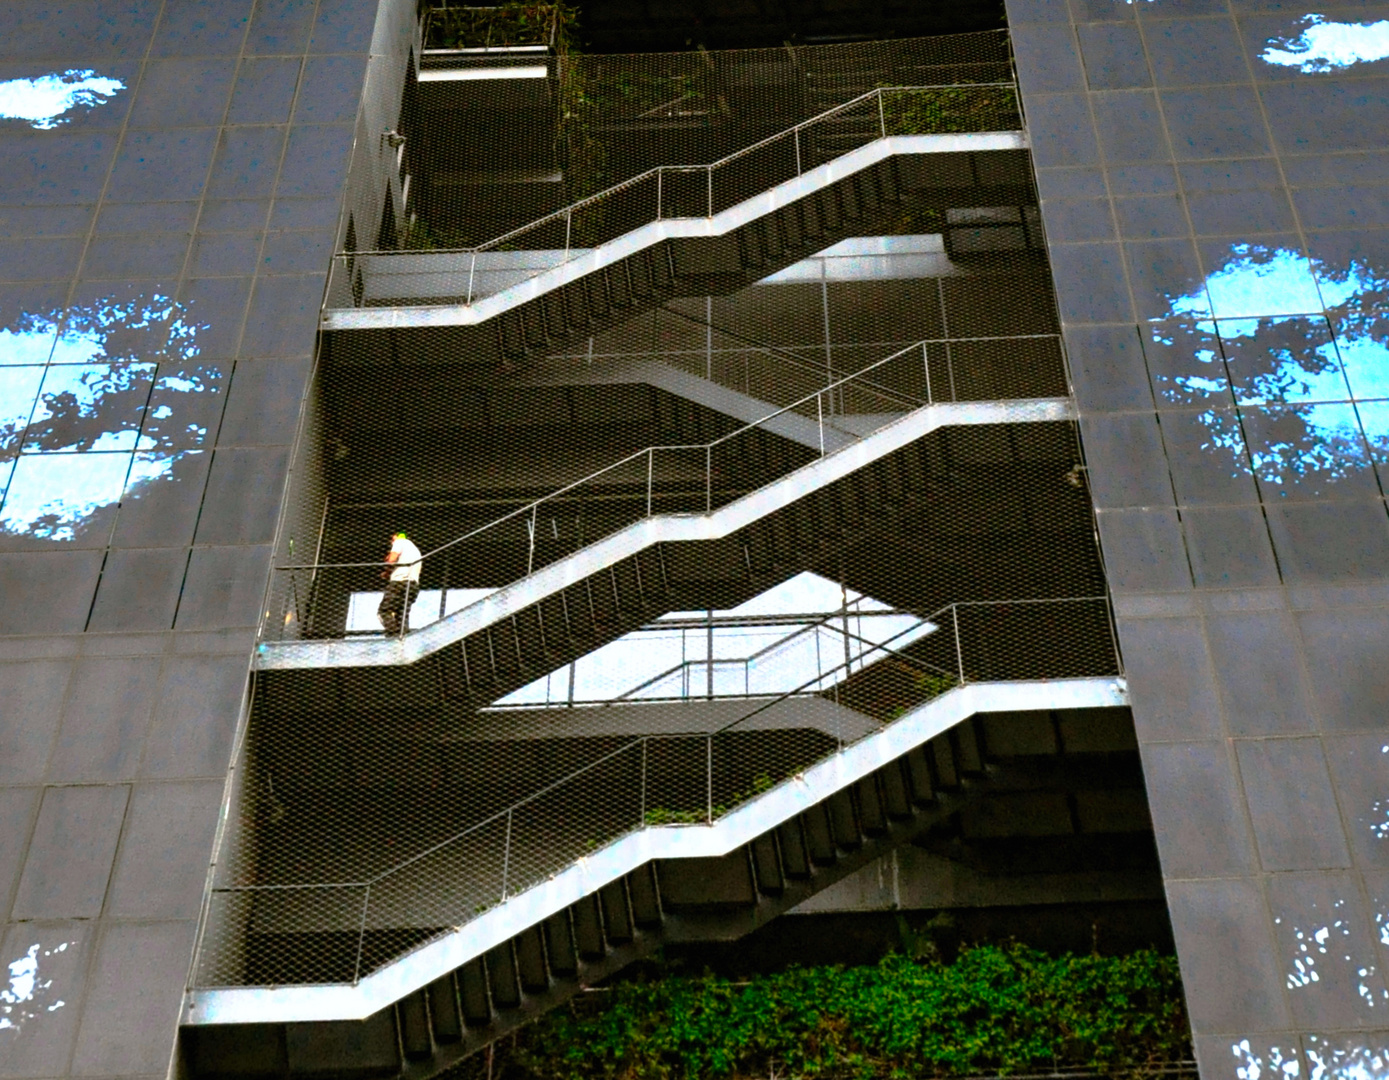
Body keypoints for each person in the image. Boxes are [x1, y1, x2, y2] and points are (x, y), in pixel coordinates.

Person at [378, 531, 422, 634]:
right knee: (402, 615)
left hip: (399, 582)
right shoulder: (414, 549)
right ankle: (403, 636)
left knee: (383, 611)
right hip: (413, 585)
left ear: (395, 537)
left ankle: (393, 635)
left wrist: (387, 571)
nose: (391, 543)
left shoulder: (399, 542)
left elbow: (392, 559)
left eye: (391, 540)